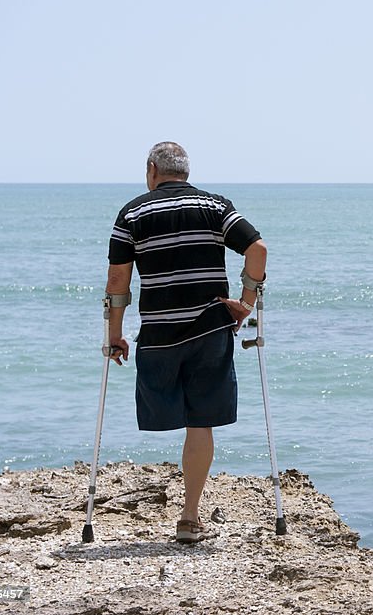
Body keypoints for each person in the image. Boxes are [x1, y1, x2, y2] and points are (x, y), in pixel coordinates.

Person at [104, 141, 267, 543]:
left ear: (151, 170)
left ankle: (187, 514)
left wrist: (115, 335)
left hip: (159, 335)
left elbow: (117, 282)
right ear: (186, 172)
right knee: (201, 421)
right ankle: (189, 517)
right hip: (210, 329)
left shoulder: (132, 213)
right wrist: (245, 303)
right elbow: (258, 250)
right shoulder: (215, 207)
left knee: (168, 413)